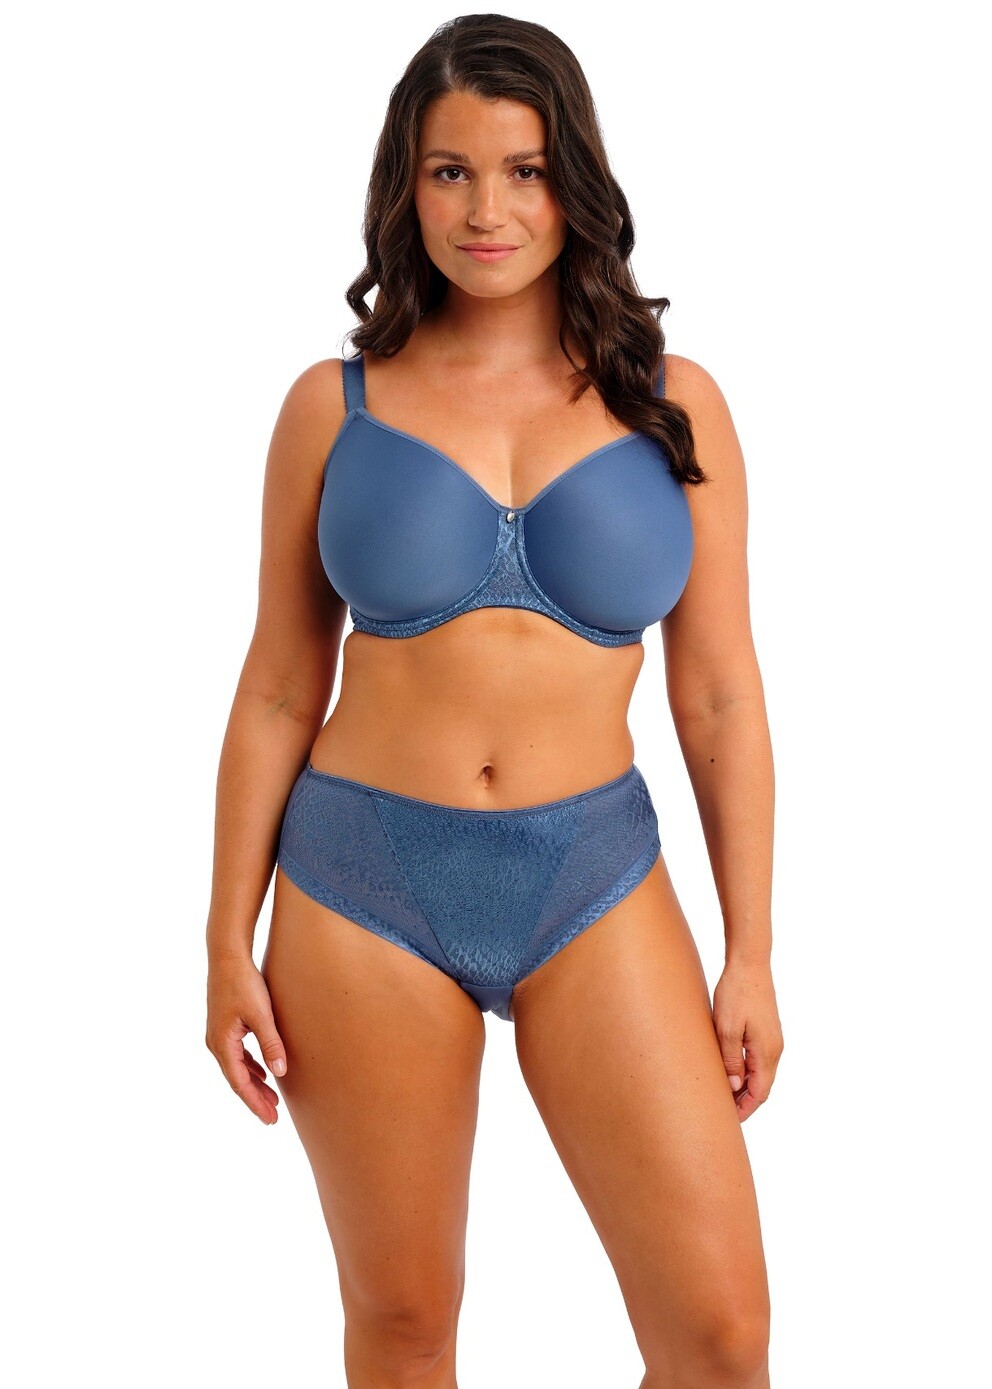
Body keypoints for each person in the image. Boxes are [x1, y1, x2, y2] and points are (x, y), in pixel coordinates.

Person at [205, 13, 783, 1388]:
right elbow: (279, 685)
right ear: (405, 188)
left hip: (593, 870)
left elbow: (717, 694)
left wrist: (751, 948)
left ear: (572, 182)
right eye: (450, 171)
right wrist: (225, 934)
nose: (487, 211)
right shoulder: (333, 407)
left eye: (523, 171)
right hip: (363, 882)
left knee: (719, 1336)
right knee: (406, 1327)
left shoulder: (673, 406)